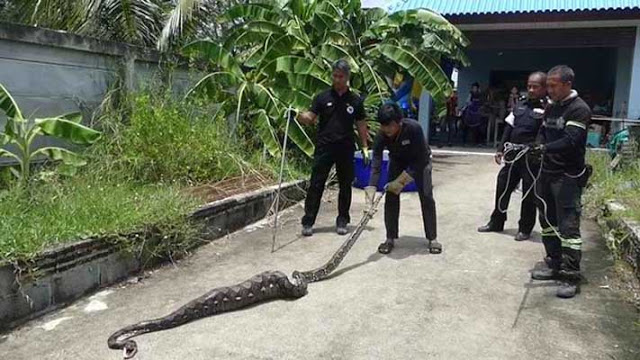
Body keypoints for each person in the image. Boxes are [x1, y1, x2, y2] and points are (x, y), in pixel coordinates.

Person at [530, 65, 592, 299]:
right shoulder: (551, 108)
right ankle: (554, 264)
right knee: (547, 221)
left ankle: (570, 276)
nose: (550, 90)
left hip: (567, 177)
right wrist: (537, 146)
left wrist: (544, 148)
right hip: (547, 173)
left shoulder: (579, 109)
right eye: (548, 85)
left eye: (554, 86)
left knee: (568, 227)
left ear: (567, 84)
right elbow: (543, 133)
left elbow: (571, 140)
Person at [298, 60, 369, 237]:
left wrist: (365, 147)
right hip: (325, 147)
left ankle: (343, 219)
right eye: (335, 75)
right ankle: (308, 221)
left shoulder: (355, 101)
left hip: (345, 148)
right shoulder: (322, 97)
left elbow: (361, 124)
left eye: (340, 76)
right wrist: (297, 115)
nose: (337, 79)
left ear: (347, 77)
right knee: (316, 183)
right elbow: (310, 118)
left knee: (345, 185)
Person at [364, 103, 441, 255]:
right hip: (397, 161)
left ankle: (432, 238)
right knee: (391, 196)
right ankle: (390, 238)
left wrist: (401, 181)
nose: (387, 130)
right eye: (383, 126)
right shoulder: (381, 135)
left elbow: (421, 160)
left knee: (426, 196)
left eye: (390, 126)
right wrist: (371, 189)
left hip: (421, 161)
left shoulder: (414, 129)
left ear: (399, 122)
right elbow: (377, 163)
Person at [478, 72, 547, 241]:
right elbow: (509, 128)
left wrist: (537, 148)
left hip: (531, 159)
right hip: (513, 156)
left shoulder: (548, 109)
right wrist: (500, 149)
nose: (531, 89)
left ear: (544, 88)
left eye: (535, 87)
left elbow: (544, 133)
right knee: (503, 186)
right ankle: (497, 221)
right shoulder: (519, 105)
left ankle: (524, 228)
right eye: (529, 86)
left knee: (528, 194)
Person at [462, 82, 486, 146]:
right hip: (471, 110)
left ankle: (478, 142)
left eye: (475, 88)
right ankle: (464, 141)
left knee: (479, 126)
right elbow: (467, 102)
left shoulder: (480, 95)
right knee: (465, 122)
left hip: (477, 110)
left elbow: (482, 103)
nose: (474, 89)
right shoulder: (470, 94)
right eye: (473, 88)